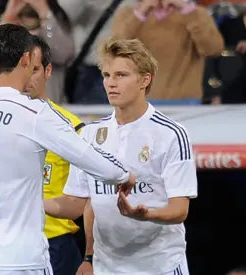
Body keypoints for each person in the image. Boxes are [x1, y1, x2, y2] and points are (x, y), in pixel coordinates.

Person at [0, 24, 136, 275]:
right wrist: (123, 175)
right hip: (18, 261)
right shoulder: (34, 114)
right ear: (27, 59)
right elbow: (89, 156)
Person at [44, 38, 198, 275]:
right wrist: (89, 256)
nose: (110, 84)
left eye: (121, 75)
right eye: (106, 75)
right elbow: (77, 204)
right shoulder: (90, 134)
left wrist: (148, 214)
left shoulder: (171, 134)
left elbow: (180, 210)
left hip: (160, 266)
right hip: (108, 268)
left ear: (144, 80)